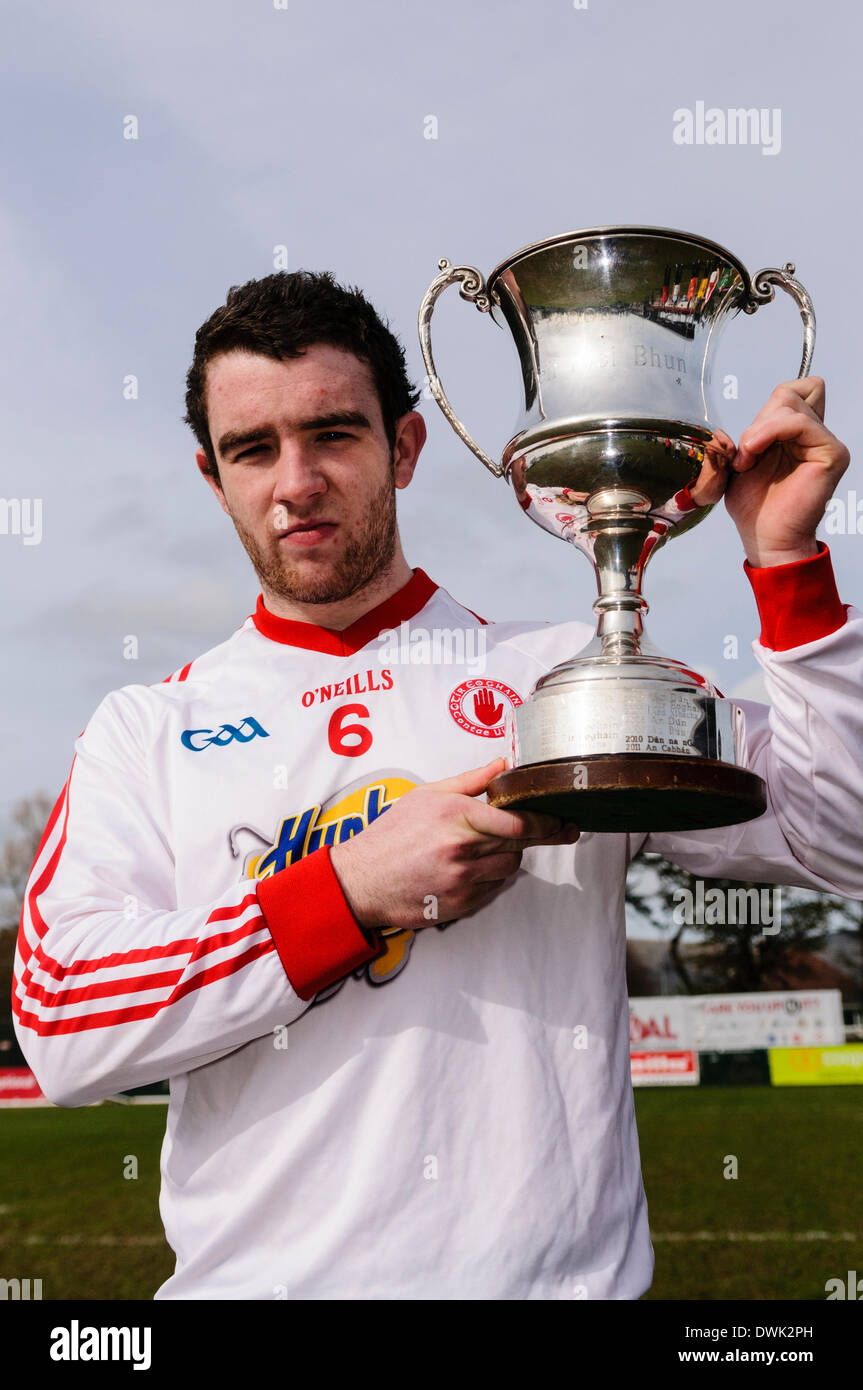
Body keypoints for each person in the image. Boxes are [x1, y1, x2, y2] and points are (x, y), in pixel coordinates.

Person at [12, 270, 863, 1300]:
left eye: (333, 433)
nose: (296, 481)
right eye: (253, 449)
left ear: (403, 448)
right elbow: (61, 1024)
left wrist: (787, 567)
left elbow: (840, 835)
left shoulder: (566, 678)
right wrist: (348, 890)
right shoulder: (147, 729)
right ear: (212, 476)